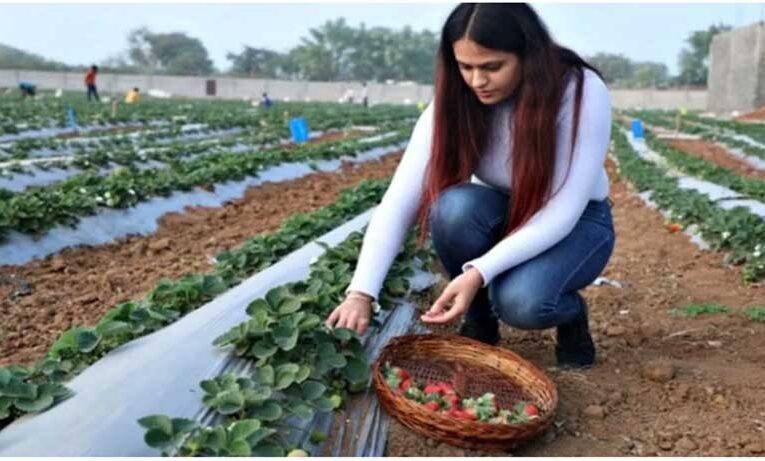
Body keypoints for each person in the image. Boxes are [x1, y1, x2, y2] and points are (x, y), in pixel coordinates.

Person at [325, 3, 615, 369]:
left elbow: (562, 210)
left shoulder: (579, 91)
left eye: (492, 67)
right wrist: (360, 294)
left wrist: (477, 272)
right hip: (505, 209)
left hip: (576, 222)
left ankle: (570, 315)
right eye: (466, 67)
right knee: (452, 208)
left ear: (527, 55)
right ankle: (480, 319)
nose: (477, 81)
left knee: (522, 303)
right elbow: (399, 202)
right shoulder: (454, 102)